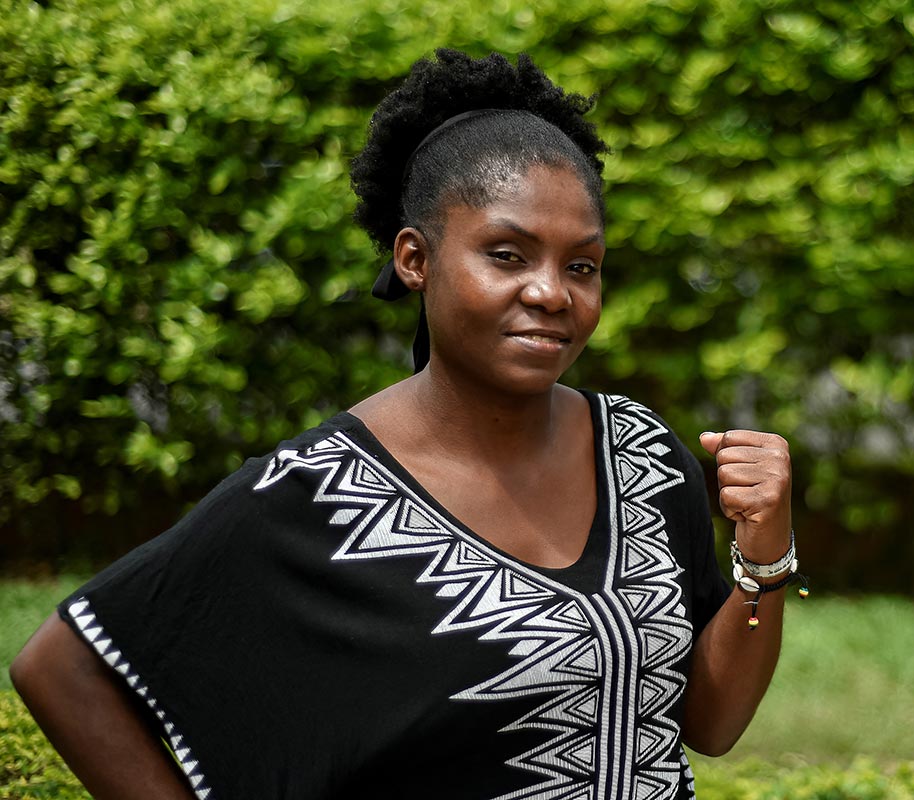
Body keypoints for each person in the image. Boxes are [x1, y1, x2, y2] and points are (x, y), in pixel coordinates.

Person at [11, 49, 801, 800]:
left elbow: (710, 721)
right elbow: (64, 671)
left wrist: (764, 552)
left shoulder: (639, 449)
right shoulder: (322, 494)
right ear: (415, 258)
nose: (552, 293)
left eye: (582, 266)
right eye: (506, 254)